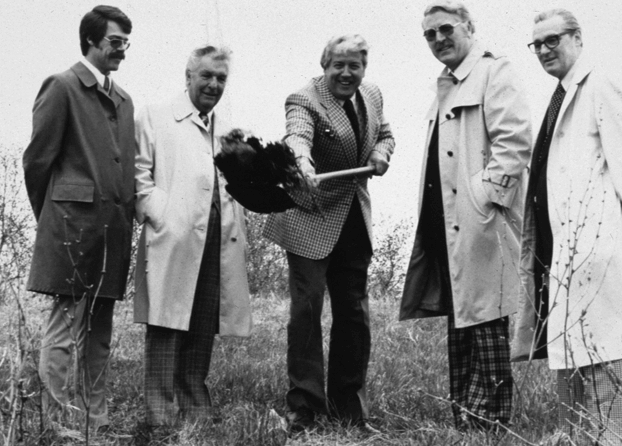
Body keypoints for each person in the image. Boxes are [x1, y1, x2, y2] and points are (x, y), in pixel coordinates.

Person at [511, 9, 622, 445]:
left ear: (577, 37)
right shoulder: (561, 95)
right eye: (536, 44)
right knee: (571, 375)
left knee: (608, 366)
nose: (542, 51)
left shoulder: (602, 86)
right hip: (565, 259)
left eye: (551, 40)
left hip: (598, 255)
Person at [399, 0, 532, 431]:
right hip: (450, 220)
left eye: (445, 30)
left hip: (481, 219)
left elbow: (514, 145)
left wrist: (482, 201)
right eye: (429, 35)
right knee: (463, 315)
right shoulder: (449, 82)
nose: (438, 40)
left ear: (468, 27)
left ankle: (491, 419)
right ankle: (466, 414)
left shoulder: (495, 71)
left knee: (487, 315)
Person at [263, 34, 395, 433]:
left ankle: (349, 409)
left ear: (364, 68)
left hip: (353, 217)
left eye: (354, 65)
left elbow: (386, 135)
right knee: (306, 311)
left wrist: (380, 154)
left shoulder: (370, 94)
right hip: (309, 216)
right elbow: (296, 136)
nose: (346, 73)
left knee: (354, 313)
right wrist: (300, 162)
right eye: (338, 65)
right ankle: (303, 408)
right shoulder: (304, 99)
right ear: (325, 66)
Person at [22, 5, 134, 431]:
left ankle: (94, 419)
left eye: (126, 43)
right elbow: (37, 163)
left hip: (113, 231)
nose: (122, 51)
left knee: (99, 333)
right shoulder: (63, 86)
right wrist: (53, 218)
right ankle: (55, 423)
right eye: (115, 42)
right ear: (91, 40)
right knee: (64, 328)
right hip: (71, 228)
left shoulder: (124, 100)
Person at [134, 45, 252, 427]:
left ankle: (195, 410)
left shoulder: (226, 128)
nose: (214, 84)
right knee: (167, 323)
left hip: (217, 237)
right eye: (206, 76)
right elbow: (139, 179)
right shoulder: (155, 116)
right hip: (174, 236)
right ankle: (160, 416)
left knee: (202, 323)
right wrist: (166, 217)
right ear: (188, 77)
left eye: (221, 78)